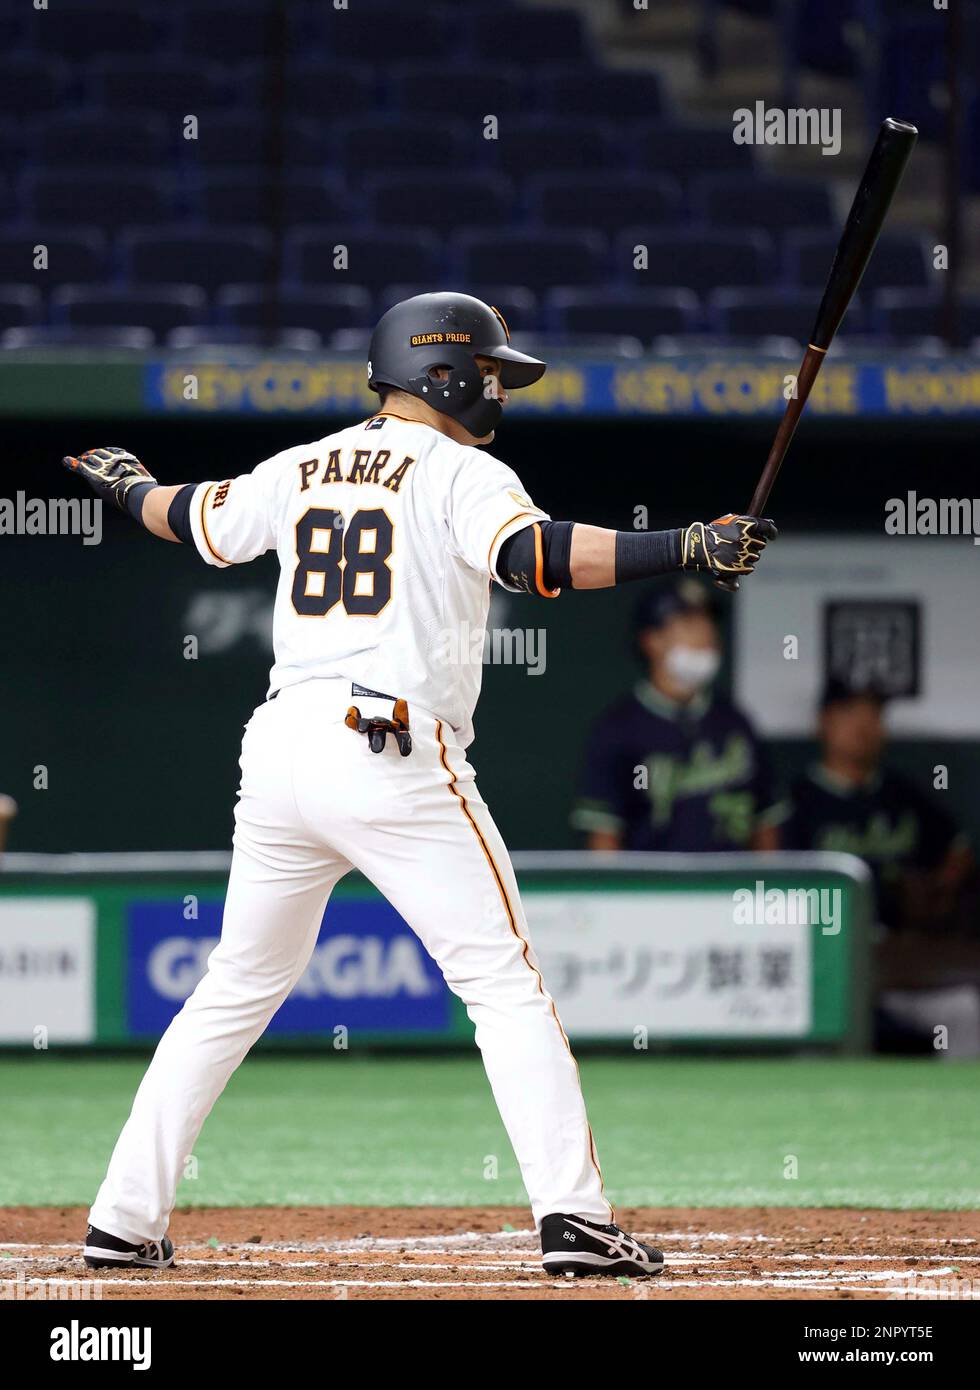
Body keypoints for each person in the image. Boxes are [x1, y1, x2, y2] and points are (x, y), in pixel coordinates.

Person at [64, 292, 776, 1279]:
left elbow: (186, 517)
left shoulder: (299, 464)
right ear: (437, 373)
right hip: (388, 743)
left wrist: (126, 481)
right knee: (502, 983)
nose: (497, 388)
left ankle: (121, 1217)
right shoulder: (461, 470)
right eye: (487, 372)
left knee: (235, 983)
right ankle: (572, 1218)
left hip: (278, 750)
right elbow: (538, 559)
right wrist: (685, 544)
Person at [782, 680, 980, 1055]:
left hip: (901, 962)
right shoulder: (797, 802)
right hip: (830, 960)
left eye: (874, 715)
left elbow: (959, 851)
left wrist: (937, 888)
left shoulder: (901, 794)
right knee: (808, 1024)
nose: (864, 726)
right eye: (850, 713)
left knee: (962, 1011)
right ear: (821, 723)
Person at [573, 580, 783, 852]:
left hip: (732, 887)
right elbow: (604, 840)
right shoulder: (618, 729)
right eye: (688, 624)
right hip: (655, 890)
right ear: (652, 640)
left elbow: (766, 825)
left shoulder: (736, 723)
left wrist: (764, 890)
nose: (705, 635)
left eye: (707, 623)